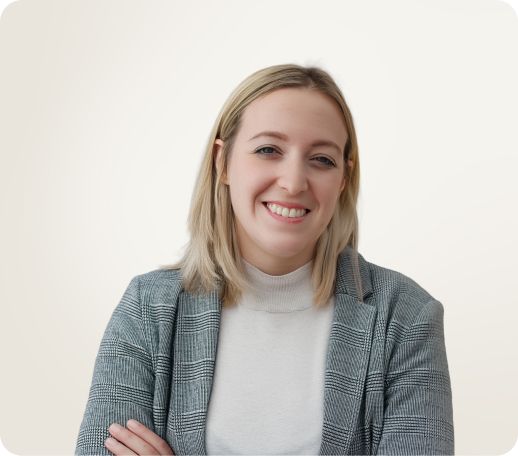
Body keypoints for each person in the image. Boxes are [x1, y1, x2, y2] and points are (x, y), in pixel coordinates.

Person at [75, 63, 454, 455]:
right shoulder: (148, 308)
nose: (293, 182)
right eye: (268, 150)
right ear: (222, 161)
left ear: (343, 178)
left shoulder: (406, 316)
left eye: (322, 159)